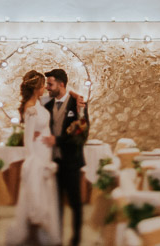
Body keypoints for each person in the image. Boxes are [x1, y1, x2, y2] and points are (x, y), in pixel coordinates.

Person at [4, 70, 61, 246]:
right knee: (35, 193)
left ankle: (42, 231)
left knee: (44, 191)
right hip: (36, 154)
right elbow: (28, 138)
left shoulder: (39, 103)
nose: (45, 87)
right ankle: (33, 231)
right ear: (37, 88)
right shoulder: (30, 108)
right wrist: (31, 161)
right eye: (43, 85)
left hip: (45, 152)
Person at [44, 68, 89, 246]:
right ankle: (57, 238)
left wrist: (58, 140)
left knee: (75, 202)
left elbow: (81, 132)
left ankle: (76, 238)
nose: (48, 87)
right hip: (54, 162)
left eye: (50, 83)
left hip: (71, 162)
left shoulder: (77, 104)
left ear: (61, 84)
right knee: (55, 204)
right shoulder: (47, 106)